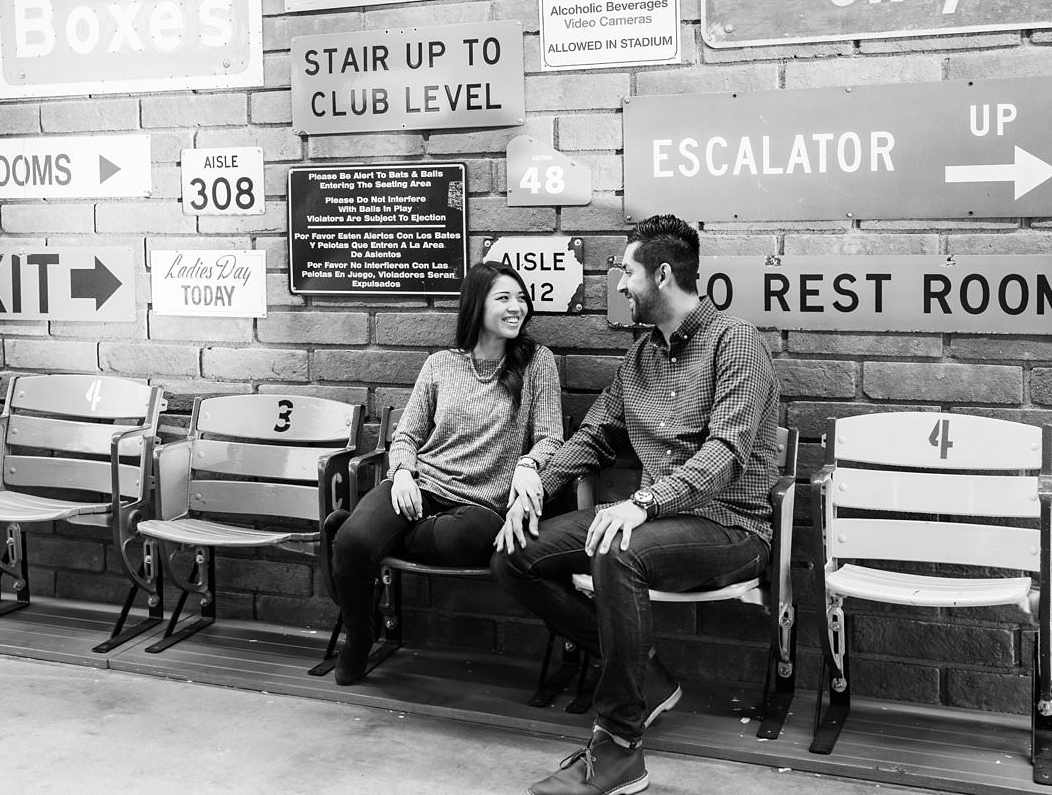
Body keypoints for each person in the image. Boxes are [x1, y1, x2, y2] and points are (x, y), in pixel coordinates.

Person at [491, 216, 780, 795]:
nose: (621, 284)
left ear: (662, 274)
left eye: (627, 270)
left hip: (730, 526)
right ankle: (642, 670)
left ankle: (620, 749)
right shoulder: (640, 358)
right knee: (512, 552)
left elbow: (725, 450)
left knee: (616, 550)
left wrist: (645, 501)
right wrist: (533, 476)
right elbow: (596, 434)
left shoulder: (736, 343)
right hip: (656, 521)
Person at [325, 261, 563, 685]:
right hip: (423, 484)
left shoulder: (536, 362)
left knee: (465, 540)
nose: (517, 308)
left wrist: (529, 465)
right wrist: (400, 474)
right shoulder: (440, 365)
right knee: (353, 541)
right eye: (504, 298)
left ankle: (373, 534)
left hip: (481, 504)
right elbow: (407, 436)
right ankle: (360, 633)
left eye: (521, 299)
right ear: (476, 305)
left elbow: (550, 437)